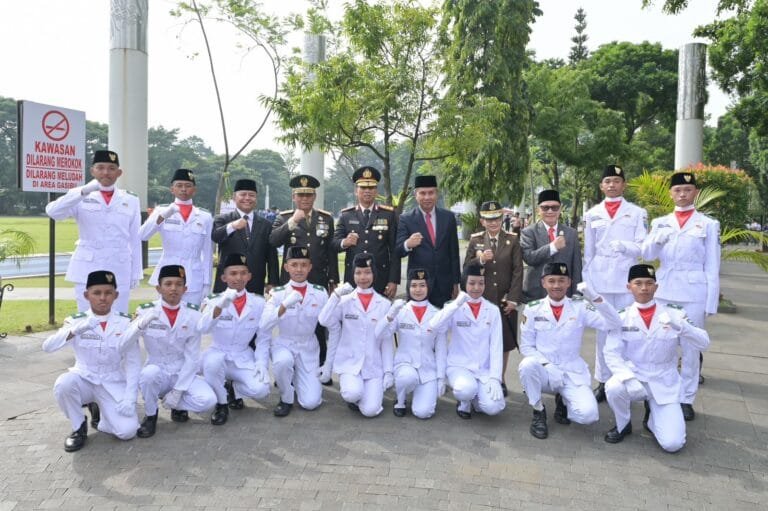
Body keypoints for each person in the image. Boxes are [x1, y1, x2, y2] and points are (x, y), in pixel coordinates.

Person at [603, 264, 710, 451]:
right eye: (638, 283)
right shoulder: (621, 317)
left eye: (649, 283)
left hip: (664, 381)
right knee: (613, 387)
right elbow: (611, 353)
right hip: (635, 376)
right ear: (629, 287)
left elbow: (704, 343)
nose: (644, 288)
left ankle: (652, 418)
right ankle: (623, 423)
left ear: (656, 287)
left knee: (673, 444)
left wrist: (681, 326)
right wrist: (627, 378)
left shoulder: (675, 314)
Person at [641, 171, 720, 421]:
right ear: (671, 193)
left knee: (690, 347)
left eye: (687, 190)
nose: (682, 194)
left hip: (694, 290)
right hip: (664, 289)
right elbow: (647, 253)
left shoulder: (708, 224)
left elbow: (712, 265)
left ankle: (686, 397)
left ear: (695, 192)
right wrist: (657, 239)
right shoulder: (660, 222)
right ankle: (661, 391)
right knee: (662, 343)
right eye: (677, 190)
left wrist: (711, 300)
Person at [518, 263, 620, 439]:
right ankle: (538, 411)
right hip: (545, 371)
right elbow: (526, 346)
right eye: (551, 281)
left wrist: (595, 297)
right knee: (527, 365)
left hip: (571, 371)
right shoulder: (533, 309)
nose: (556, 285)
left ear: (569, 283)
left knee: (588, 415)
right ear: (543, 283)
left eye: (561, 281)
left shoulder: (580, 307)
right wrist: (547, 365)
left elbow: (613, 323)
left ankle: (563, 401)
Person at [42, 270, 141, 451]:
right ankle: (78, 426)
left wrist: (130, 397)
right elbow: (48, 347)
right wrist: (76, 330)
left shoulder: (126, 323)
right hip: (84, 378)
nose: (103, 298)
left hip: (112, 380)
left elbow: (134, 363)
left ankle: (101, 412)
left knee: (127, 431)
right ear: (87, 295)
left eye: (108, 292)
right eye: (97, 293)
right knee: (63, 384)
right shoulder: (76, 321)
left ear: (116, 295)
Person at [45, 150, 142, 313]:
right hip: (88, 266)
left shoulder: (131, 200)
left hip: (119, 265)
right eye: (101, 167)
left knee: (118, 316)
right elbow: (53, 212)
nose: (106, 172)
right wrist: (83, 191)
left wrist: (136, 272)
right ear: (92, 171)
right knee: (86, 316)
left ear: (119, 172)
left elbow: (135, 238)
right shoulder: (80, 195)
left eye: (111, 168)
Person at [582, 165, 648, 402]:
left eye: (616, 181)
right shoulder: (592, 214)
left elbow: (643, 247)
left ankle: (627, 379)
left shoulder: (637, 213)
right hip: (600, 279)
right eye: (607, 181)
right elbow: (588, 252)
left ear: (624, 184)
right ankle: (602, 381)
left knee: (628, 330)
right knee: (603, 333)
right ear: (602, 186)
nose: (611, 185)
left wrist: (624, 246)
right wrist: (587, 281)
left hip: (625, 280)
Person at [130, 265, 217, 438]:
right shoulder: (145, 311)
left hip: (181, 370)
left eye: (178, 284)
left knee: (208, 400)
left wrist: (177, 392)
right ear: (158, 288)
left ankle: (176, 405)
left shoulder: (193, 315)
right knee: (148, 375)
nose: (173, 288)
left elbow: (192, 358)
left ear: (185, 289)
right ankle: (151, 415)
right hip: (157, 370)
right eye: (168, 284)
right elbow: (128, 344)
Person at [269, 174, 339, 379]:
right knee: (289, 323)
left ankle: (320, 368)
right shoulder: (284, 217)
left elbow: (331, 252)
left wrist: (333, 279)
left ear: (315, 196)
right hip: (291, 281)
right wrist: (293, 221)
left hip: (317, 280)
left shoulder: (325, 218)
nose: (305, 199)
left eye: (309, 195)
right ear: (294, 196)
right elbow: (273, 241)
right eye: (301, 195)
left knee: (319, 325)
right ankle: (286, 370)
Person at [197, 253, 271, 425]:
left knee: (261, 390)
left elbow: (263, 338)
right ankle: (221, 404)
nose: (238, 277)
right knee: (212, 365)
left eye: (243, 273)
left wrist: (261, 363)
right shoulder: (213, 300)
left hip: (242, 357)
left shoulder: (259, 303)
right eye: (233, 273)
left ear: (249, 276)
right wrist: (218, 308)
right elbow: (202, 328)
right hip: (217, 353)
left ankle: (233, 389)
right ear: (224, 277)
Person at [259, 246, 334, 417]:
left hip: (308, 347)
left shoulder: (320, 293)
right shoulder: (277, 294)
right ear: (286, 267)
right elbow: (264, 325)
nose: (299, 269)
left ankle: (296, 379)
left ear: (310, 267)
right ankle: (286, 397)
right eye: (294, 264)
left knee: (311, 403)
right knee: (283, 363)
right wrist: (284, 306)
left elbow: (331, 322)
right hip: (284, 344)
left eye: (303, 264)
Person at [318, 253, 394, 417]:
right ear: (353, 275)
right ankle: (356, 394)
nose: (363, 277)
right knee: (353, 394)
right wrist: (335, 296)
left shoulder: (384, 304)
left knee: (371, 411)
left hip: (373, 364)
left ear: (374, 274)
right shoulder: (345, 301)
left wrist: (388, 371)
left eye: (367, 272)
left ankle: (367, 394)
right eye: (358, 273)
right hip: (350, 363)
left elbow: (386, 342)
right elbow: (323, 320)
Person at [429, 262, 505, 420]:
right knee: (465, 390)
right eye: (471, 283)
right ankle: (464, 402)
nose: (476, 288)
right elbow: (434, 325)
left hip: (483, 369)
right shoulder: (454, 307)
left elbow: (496, 346)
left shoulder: (493, 310)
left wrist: (495, 378)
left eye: (481, 283)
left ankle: (477, 399)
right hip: (459, 366)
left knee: (494, 407)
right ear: (464, 283)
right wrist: (456, 303)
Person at [463, 200, 523, 397]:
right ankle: (481, 375)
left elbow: (517, 270)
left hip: (504, 300)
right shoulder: (476, 240)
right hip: (483, 300)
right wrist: (480, 259)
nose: (493, 223)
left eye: (496, 218)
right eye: (488, 219)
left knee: (503, 342)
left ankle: (500, 377)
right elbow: (466, 270)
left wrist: (513, 298)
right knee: (482, 340)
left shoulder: (512, 240)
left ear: (501, 218)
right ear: (482, 221)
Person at [375, 268, 447, 419]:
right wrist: (389, 315)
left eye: (422, 285)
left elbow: (441, 349)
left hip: (428, 369)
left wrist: (441, 377)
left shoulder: (437, 314)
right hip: (405, 365)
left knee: (424, 413)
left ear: (428, 287)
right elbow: (380, 334)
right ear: (408, 287)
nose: (418, 290)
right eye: (414, 285)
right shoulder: (400, 311)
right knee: (407, 378)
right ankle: (400, 400)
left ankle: (418, 393)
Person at [139, 168, 213, 305]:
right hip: (167, 275)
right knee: (165, 317)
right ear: (172, 189)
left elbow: (208, 252)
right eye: (179, 185)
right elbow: (143, 235)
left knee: (192, 319)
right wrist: (162, 216)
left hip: (194, 276)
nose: (183, 189)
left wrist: (207, 284)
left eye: (188, 186)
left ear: (194, 190)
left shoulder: (205, 216)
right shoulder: (162, 211)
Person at [332, 166, 400, 298]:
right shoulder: (346, 215)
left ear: (376, 191)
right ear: (356, 191)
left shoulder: (388, 215)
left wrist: (393, 280)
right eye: (363, 187)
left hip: (380, 278)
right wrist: (345, 242)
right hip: (354, 278)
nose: (367, 191)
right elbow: (334, 243)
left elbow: (394, 251)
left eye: (371, 188)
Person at [396, 175, 461, 307]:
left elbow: (454, 252)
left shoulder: (448, 217)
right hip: (418, 283)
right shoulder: (406, 219)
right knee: (417, 323)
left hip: (444, 283)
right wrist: (408, 244)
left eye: (431, 193)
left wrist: (455, 282)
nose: (427, 197)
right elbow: (398, 250)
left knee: (442, 324)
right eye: (423, 193)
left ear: (436, 194)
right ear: (416, 195)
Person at [211, 178, 279, 295]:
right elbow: (216, 236)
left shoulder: (266, 224)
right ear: (234, 197)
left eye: (251, 195)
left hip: (255, 283)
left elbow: (272, 256)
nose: (247, 198)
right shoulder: (223, 219)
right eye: (243, 194)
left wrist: (272, 281)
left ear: (256, 198)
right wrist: (233, 226)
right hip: (227, 284)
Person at [520, 190, 582, 302]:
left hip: (565, 295)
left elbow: (576, 267)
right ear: (538, 209)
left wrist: (577, 294)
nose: (550, 211)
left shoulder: (571, 233)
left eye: (554, 207)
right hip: (536, 294)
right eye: (545, 208)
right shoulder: (529, 232)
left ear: (560, 209)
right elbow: (529, 258)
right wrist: (552, 247)